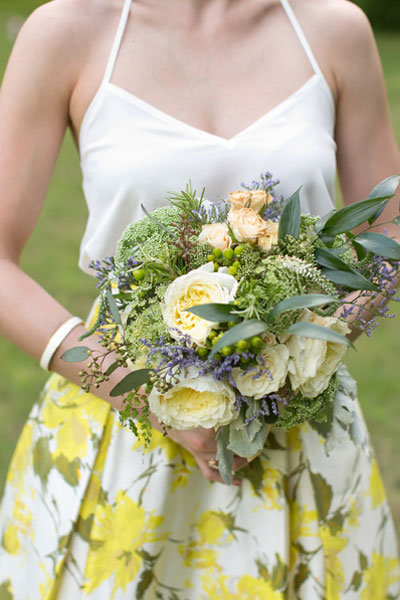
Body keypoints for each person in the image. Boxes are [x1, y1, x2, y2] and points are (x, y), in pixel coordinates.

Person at [0, 0, 399, 597]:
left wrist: (310, 350)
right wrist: (148, 392)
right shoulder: (68, 29)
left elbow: (390, 227)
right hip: (122, 418)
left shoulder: (333, 28)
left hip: (298, 426)